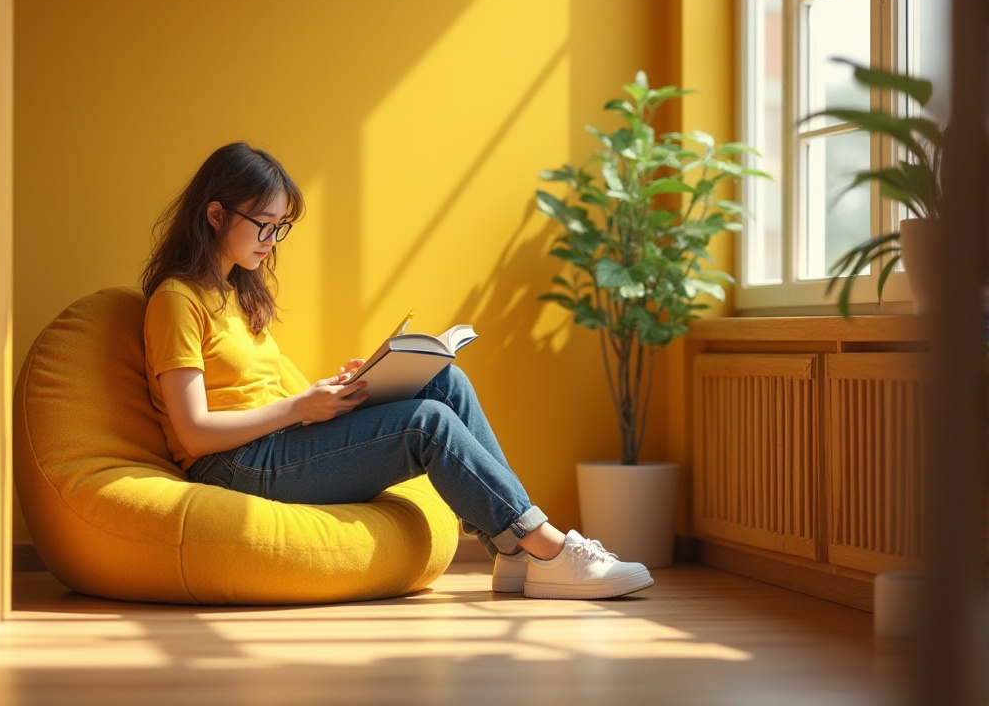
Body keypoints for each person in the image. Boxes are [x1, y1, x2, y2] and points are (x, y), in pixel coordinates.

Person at [140, 141, 654, 600]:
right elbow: (194, 432)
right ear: (214, 215)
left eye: (281, 227)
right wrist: (301, 406)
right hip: (231, 469)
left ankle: (514, 554)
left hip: (273, 445)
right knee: (424, 423)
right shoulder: (176, 301)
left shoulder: (235, 293)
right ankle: (546, 548)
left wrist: (341, 392)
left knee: (442, 381)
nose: (272, 239)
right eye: (264, 225)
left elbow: (256, 393)